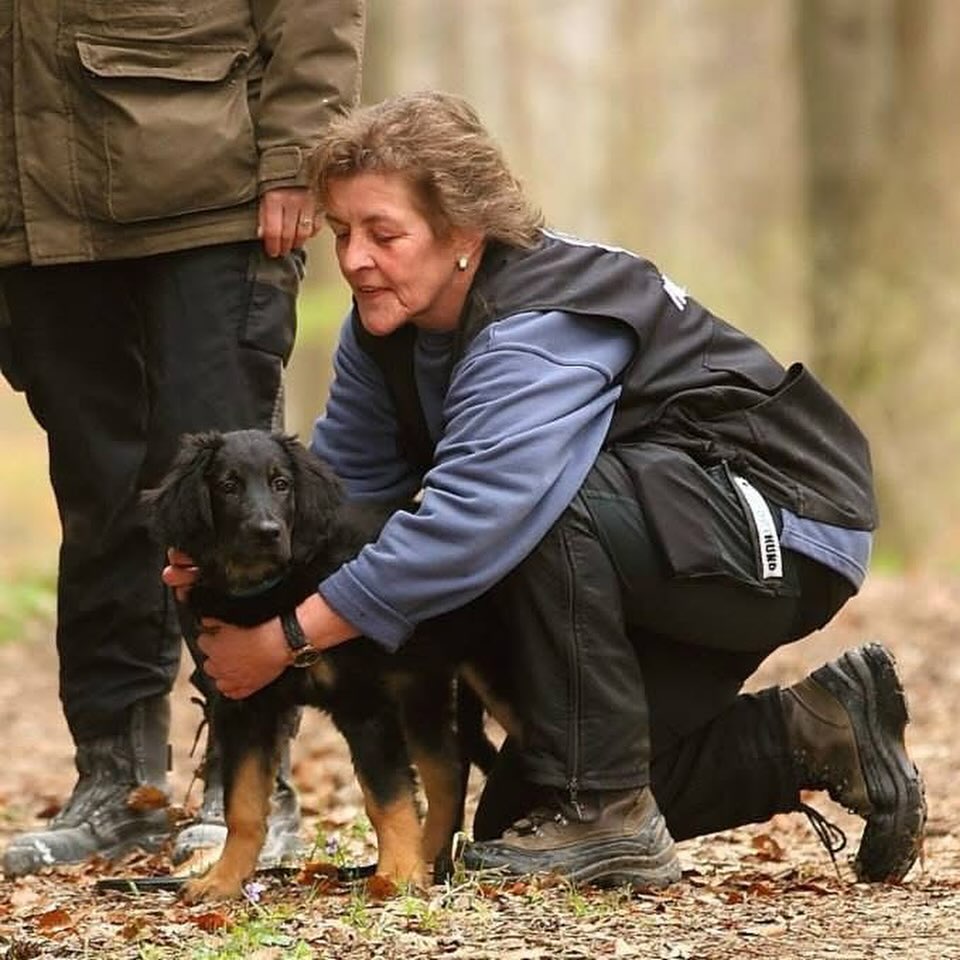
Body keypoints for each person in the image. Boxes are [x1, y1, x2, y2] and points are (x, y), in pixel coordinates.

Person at [169, 90, 926, 888]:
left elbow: (478, 517)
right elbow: (346, 505)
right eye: (344, 233)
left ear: (463, 233)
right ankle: (822, 728)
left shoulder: (541, 319)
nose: (355, 257)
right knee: (522, 806)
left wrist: (287, 636)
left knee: (533, 506)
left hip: (783, 524)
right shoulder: (384, 323)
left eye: (383, 234)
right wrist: (238, 566)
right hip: (657, 534)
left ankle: (605, 810)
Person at [0, 1, 366, 877]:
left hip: (207, 195)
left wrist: (294, 157)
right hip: (29, 212)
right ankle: (120, 783)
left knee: (230, 503)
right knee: (98, 499)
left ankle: (245, 786)